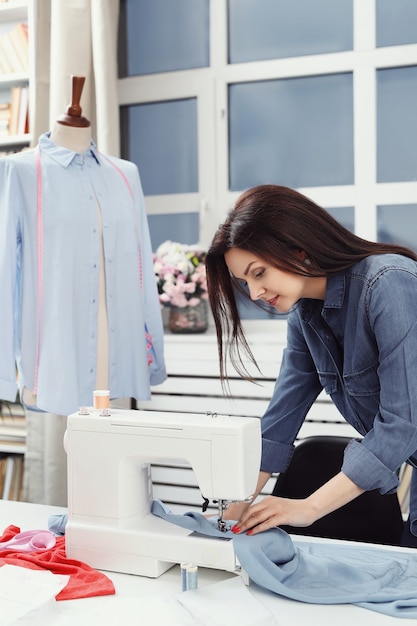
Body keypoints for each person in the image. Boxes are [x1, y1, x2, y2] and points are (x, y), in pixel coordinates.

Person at [205, 184, 417, 548]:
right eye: (245, 282)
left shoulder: (388, 283)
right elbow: (279, 421)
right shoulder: (304, 316)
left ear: (298, 248)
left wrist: (308, 508)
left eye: (259, 273)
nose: (255, 294)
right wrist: (234, 510)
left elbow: (402, 424)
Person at [0, 77, 166, 505]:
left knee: (116, 454)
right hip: (58, 343)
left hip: (120, 344)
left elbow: (142, 268)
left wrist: (153, 358)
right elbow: (6, 270)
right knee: (80, 449)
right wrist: (5, 370)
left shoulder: (125, 174)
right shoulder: (23, 171)